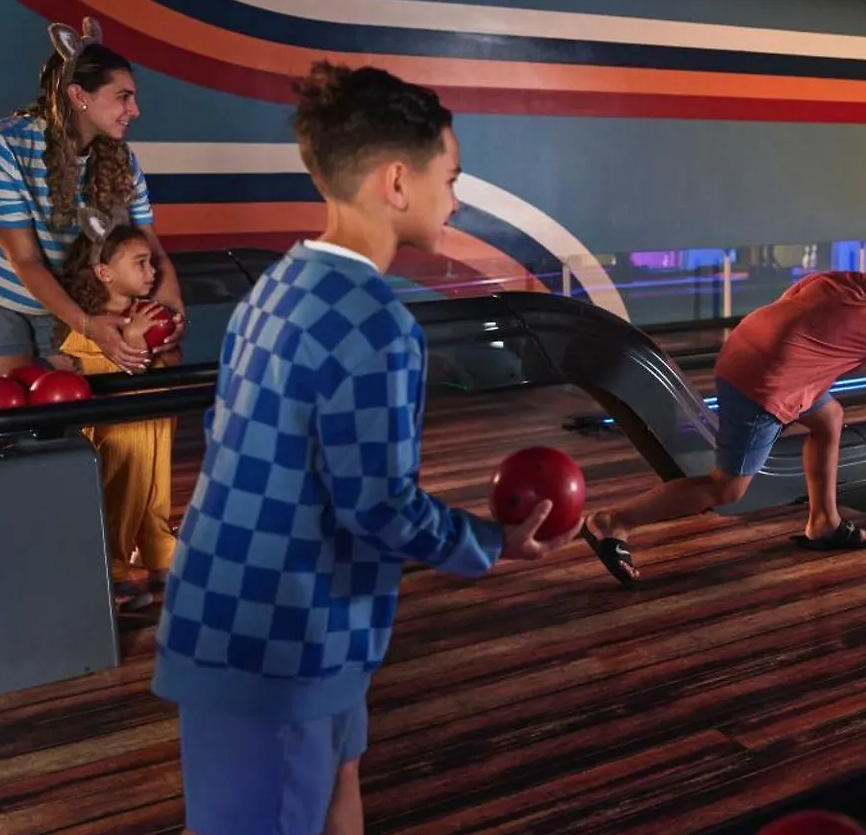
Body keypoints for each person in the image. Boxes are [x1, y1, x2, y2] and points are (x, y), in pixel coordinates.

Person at [152, 62, 580, 835]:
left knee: (337, 784)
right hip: (278, 644)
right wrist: (494, 542)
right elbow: (379, 507)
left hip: (256, 618)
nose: (456, 198)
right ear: (397, 182)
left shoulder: (275, 287)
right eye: (451, 178)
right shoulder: (377, 324)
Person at [582, 214, 866, 587]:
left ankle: (824, 522)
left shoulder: (838, 279)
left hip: (745, 352)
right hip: (764, 384)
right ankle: (611, 522)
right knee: (727, 488)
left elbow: (794, 312)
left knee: (829, 417)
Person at [0, 17, 184, 377]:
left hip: (62, 287)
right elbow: (25, 259)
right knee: (14, 399)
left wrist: (172, 311)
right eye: (123, 97)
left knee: (84, 396)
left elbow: (150, 246)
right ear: (78, 96)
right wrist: (87, 325)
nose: (135, 110)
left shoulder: (121, 161)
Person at [60, 215, 180, 612]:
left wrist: (166, 340)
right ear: (104, 272)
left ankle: (159, 551)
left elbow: (170, 363)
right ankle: (109, 568)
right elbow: (110, 370)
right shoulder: (89, 330)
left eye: (152, 262)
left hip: (154, 424)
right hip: (118, 432)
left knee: (154, 492)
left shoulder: (148, 312)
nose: (152, 271)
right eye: (140, 263)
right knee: (118, 494)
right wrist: (133, 339)